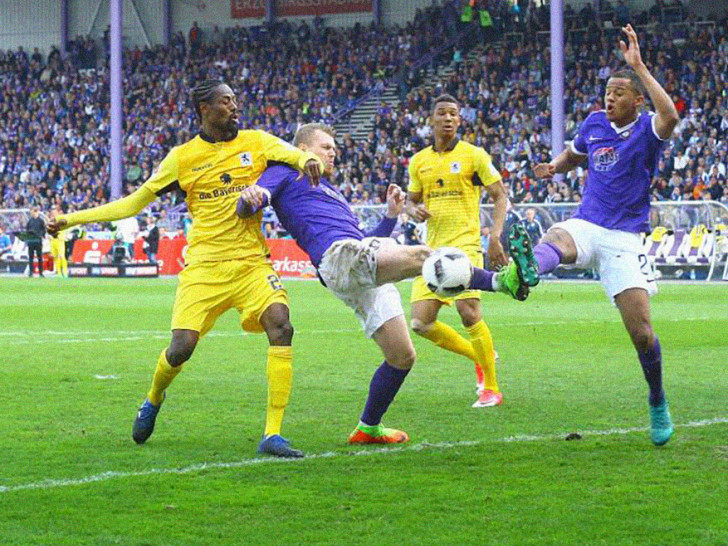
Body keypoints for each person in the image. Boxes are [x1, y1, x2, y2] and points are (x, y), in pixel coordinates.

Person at [48, 79, 323, 458]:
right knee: (181, 349)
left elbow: (294, 155)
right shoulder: (182, 158)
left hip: (250, 265)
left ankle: (272, 434)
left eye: (235, 100)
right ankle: (154, 396)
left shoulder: (257, 141)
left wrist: (309, 159)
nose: (235, 107)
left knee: (282, 325)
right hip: (204, 269)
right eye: (226, 102)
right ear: (205, 110)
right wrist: (70, 219)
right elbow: (132, 204)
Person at [237, 123, 531, 444]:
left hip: (354, 262)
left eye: (334, 147)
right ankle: (502, 281)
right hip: (337, 258)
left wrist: (391, 215)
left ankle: (368, 428)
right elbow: (254, 200)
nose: (333, 152)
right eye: (325, 147)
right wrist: (249, 199)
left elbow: (367, 244)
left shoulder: (330, 191)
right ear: (303, 150)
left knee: (402, 355)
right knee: (422, 257)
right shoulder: (285, 171)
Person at [520, 25, 679, 446]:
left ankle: (657, 399)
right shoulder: (593, 124)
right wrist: (554, 168)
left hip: (625, 238)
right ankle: (529, 267)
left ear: (636, 99)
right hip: (588, 223)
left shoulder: (647, 129)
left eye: (619, 92)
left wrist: (639, 67)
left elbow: (672, 117)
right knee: (558, 237)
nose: (610, 98)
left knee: (642, 333)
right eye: (608, 91)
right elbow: (575, 156)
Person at [406, 94, 516, 408]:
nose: (449, 118)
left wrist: (494, 237)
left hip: (465, 245)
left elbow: (499, 195)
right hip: (433, 252)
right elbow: (413, 200)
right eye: (442, 113)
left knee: (469, 313)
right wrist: (412, 210)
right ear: (431, 120)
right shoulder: (419, 161)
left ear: (459, 120)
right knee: (421, 324)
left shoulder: (474, 155)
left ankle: (491, 388)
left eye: (454, 114)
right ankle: (480, 357)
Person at [26, 207, 46, 277]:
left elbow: (44, 230)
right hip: (31, 241)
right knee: (30, 257)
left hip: (38, 241)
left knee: (39, 256)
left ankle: (41, 272)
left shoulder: (41, 221)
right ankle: (31, 272)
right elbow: (27, 230)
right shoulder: (30, 221)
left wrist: (41, 236)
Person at [49, 206, 68, 277]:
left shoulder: (61, 220)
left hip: (60, 240)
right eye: (52, 213)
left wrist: (62, 236)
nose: (53, 214)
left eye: (54, 213)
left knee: (61, 256)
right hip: (53, 241)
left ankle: (65, 272)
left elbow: (64, 229)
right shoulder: (50, 221)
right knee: (56, 257)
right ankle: (59, 273)